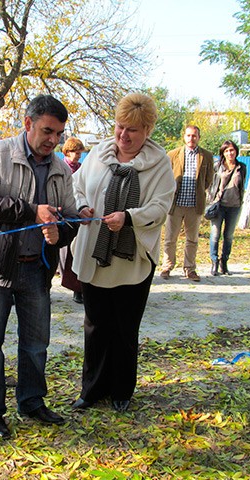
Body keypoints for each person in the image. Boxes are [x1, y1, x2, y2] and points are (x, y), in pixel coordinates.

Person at [0, 94, 79, 439]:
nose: (53, 140)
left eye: (59, 133)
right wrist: (33, 211)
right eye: (47, 130)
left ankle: (31, 402)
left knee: (36, 343)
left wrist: (62, 228)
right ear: (28, 123)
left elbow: (70, 218)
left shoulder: (61, 168)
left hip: (36, 271)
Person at [70, 93, 175, 413]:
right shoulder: (98, 155)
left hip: (133, 259)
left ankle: (121, 389)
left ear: (147, 131)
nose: (123, 135)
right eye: (119, 127)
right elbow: (76, 186)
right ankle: (92, 389)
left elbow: (161, 206)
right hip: (95, 252)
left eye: (133, 130)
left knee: (124, 328)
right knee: (95, 324)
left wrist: (129, 218)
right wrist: (82, 207)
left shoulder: (159, 164)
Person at [160, 125, 214, 282]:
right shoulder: (173, 155)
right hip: (175, 204)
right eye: (189, 135)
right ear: (184, 137)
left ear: (199, 137)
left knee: (192, 239)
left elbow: (208, 179)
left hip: (194, 205)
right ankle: (167, 266)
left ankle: (189, 268)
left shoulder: (206, 156)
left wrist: (199, 192)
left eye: (194, 136)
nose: (191, 138)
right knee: (170, 238)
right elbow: (166, 178)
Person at [208, 140, 247, 276]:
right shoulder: (217, 167)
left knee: (228, 236)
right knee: (215, 235)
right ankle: (214, 262)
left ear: (236, 151)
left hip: (234, 206)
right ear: (222, 153)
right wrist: (211, 199)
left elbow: (241, 185)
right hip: (219, 206)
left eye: (232, 150)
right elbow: (210, 184)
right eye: (226, 151)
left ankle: (224, 262)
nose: (230, 153)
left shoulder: (241, 167)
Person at [59, 137, 85, 303]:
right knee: (63, 253)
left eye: (80, 153)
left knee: (77, 252)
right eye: (75, 152)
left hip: (78, 215)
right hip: (61, 216)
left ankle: (78, 289)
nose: (77, 156)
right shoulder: (60, 168)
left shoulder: (82, 169)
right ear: (67, 152)